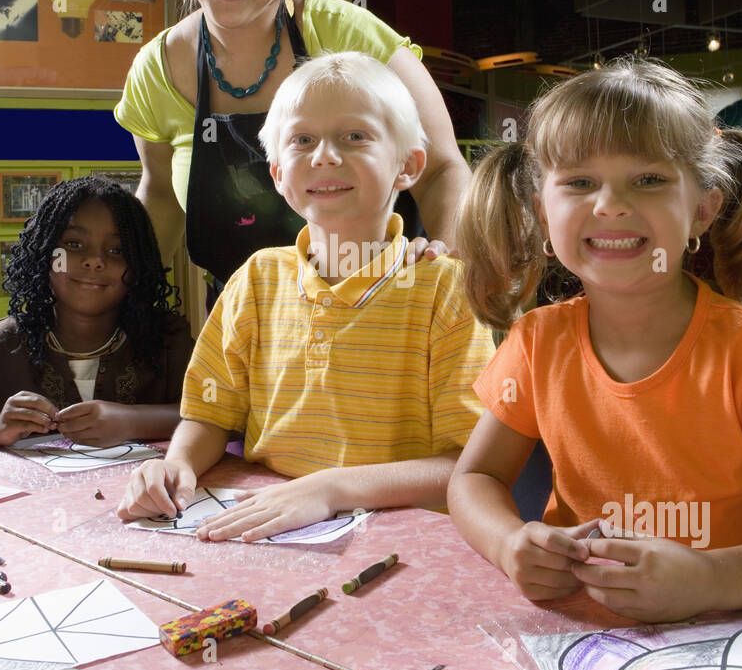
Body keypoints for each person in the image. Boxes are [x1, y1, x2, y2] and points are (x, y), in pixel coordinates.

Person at [447, 58, 742, 624]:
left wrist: (709, 580)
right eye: (580, 182)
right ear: (542, 210)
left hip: (731, 644)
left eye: (649, 179)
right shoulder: (538, 340)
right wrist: (508, 543)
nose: (610, 205)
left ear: (702, 211)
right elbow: (475, 479)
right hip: (570, 635)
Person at [117, 53, 494, 537]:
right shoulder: (255, 280)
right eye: (302, 140)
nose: (324, 156)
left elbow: (465, 466)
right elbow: (210, 415)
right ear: (277, 173)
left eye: (355, 136)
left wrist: (329, 488)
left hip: (399, 542)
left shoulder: (443, 289)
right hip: (265, 524)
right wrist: (177, 465)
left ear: (408, 166)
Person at [114, 0, 469, 290]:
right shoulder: (158, 70)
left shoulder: (344, 34)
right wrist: (124, 305)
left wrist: (446, 265)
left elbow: (442, 169)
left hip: (387, 304)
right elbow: (161, 196)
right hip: (248, 332)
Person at [0, 177, 193, 450]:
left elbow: (219, 419)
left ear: (138, 264)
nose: (95, 260)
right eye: (74, 244)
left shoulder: (168, 339)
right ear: (46, 254)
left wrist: (134, 421)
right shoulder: (4, 342)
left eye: (116, 250)